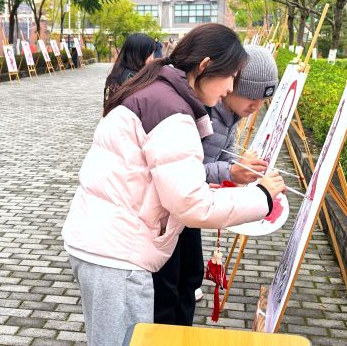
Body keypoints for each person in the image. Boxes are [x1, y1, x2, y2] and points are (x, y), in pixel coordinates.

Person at [62, 24, 286, 346]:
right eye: (231, 77)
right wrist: (262, 197)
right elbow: (191, 204)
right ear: (205, 66)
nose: (230, 88)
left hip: (102, 243)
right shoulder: (172, 113)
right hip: (118, 256)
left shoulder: (158, 91)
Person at [152, 44, 279, 325]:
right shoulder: (200, 113)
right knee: (170, 285)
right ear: (230, 82)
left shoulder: (230, 114)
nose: (256, 106)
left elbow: (221, 154)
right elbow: (183, 174)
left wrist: (237, 166)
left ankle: (182, 332)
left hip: (188, 210)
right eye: (251, 97)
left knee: (190, 276)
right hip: (171, 212)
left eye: (264, 100)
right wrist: (230, 171)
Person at [102, 33, 156, 105]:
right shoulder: (134, 80)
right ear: (139, 55)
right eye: (150, 54)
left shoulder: (116, 74)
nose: (153, 59)